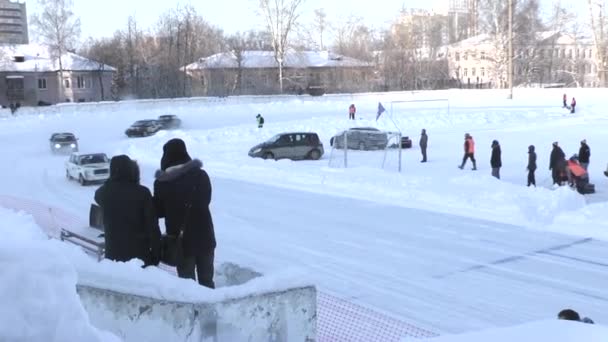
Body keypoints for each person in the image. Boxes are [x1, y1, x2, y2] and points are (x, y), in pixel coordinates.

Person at [154, 138, 216, 289]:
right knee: (207, 281)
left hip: (180, 242)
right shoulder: (201, 176)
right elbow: (205, 200)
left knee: (188, 286)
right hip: (205, 238)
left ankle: (193, 312)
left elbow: (159, 211)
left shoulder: (162, 182)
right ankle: (209, 310)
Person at [94, 155, 161, 266]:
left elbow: (98, 195)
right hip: (139, 254)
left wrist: (111, 181)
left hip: (113, 252)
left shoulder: (104, 192)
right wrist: (156, 252)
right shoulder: (142, 193)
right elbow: (152, 225)